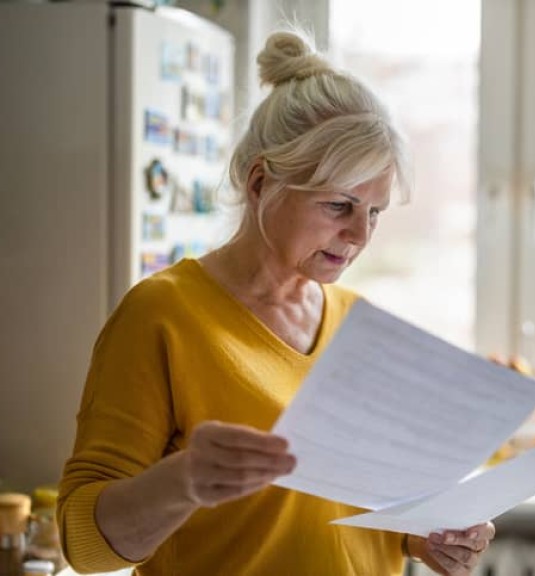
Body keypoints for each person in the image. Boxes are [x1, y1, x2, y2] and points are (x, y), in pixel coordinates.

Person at [57, 28, 495, 576]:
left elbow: (353, 511)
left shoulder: (357, 324)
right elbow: (85, 546)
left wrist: (424, 537)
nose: (361, 234)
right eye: (340, 205)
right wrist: (184, 481)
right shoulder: (162, 315)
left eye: (376, 212)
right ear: (261, 182)